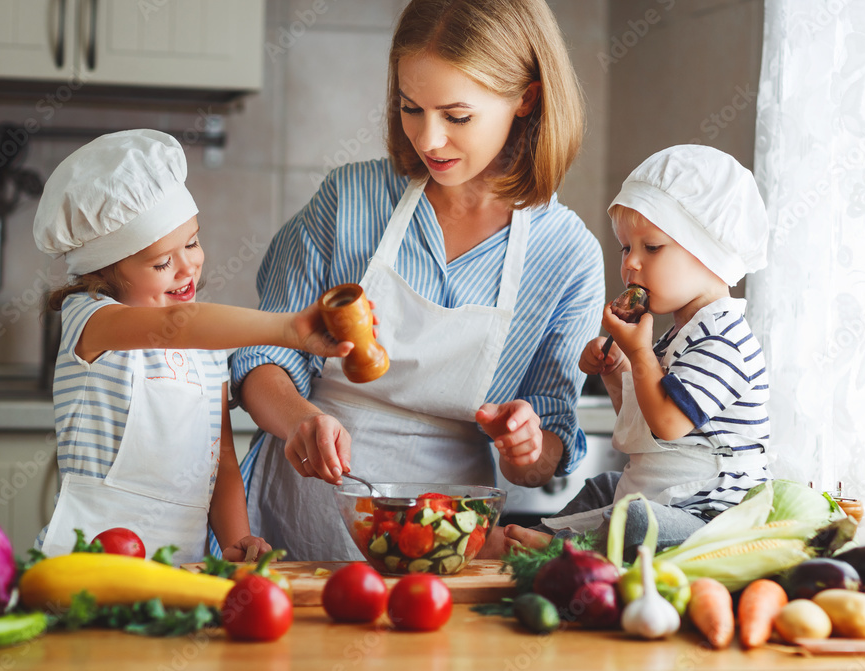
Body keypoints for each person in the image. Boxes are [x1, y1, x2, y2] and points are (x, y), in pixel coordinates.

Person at [230, 0, 605, 561]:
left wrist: (529, 446)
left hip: (445, 547)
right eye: (411, 108)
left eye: (457, 116)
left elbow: (546, 446)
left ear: (526, 97)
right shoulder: (349, 200)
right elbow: (262, 359)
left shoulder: (568, 254)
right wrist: (300, 420)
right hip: (297, 521)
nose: (428, 140)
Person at [31, 129, 353, 566]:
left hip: (183, 563)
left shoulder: (208, 349)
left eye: (193, 242)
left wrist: (236, 538)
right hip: (87, 559)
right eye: (162, 262)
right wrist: (288, 329)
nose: (188, 267)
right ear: (104, 273)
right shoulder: (93, 321)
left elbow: (218, 457)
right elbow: (174, 325)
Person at [490, 144, 774, 559]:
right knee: (604, 487)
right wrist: (618, 366)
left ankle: (560, 548)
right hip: (663, 492)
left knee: (640, 520)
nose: (631, 265)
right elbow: (645, 421)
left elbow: (669, 425)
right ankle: (552, 533)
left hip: (708, 515)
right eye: (626, 248)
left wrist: (639, 355)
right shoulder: (677, 335)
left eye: (652, 248)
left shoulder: (724, 341)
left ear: (710, 251)